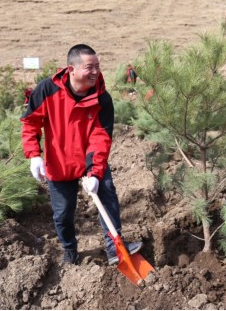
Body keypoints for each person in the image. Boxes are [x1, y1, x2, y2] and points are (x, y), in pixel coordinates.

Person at [21, 44, 142, 265]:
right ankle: (70, 251)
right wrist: (34, 155)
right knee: (63, 214)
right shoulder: (47, 90)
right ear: (72, 69)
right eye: (89, 67)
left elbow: (101, 137)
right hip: (60, 163)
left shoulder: (102, 98)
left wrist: (95, 172)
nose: (95, 72)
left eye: (97, 66)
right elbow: (30, 123)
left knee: (107, 195)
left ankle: (114, 247)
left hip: (90, 161)